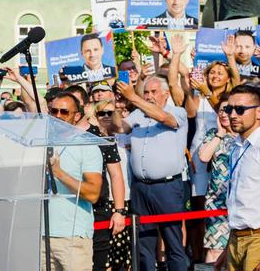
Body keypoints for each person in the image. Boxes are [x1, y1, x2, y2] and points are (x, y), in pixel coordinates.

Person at [168, 34, 240, 264]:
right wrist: (174, 55)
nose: (215, 75)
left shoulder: (231, 100)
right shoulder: (198, 98)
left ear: (227, 78)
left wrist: (230, 56)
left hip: (226, 158)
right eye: (212, 72)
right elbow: (177, 83)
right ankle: (199, 259)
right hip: (201, 159)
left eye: (220, 72)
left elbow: (228, 109)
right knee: (200, 213)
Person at [115, 77, 190, 271]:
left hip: (167, 187)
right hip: (140, 187)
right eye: (146, 92)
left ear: (166, 93)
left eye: (153, 92)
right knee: (144, 244)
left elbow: (165, 119)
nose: (148, 96)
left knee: (173, 242)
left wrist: (133, 97)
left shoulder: (177, 112)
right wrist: (116, 105)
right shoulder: (138, 114)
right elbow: (118, 127)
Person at [45, 92, 103, 270]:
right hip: (41, 235)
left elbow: (93, 194)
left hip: (72, 236)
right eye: (53, 111)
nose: (57, 116)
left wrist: (59, 173)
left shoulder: (87, 145)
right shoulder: (40, 142)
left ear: (76, 116)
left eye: (64, 112)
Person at [214, 84, 260, 271]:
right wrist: (227, 249)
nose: (232, 115)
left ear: (258, 113)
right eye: (228, 109)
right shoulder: (237, 146)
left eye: (240, 110)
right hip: (235, 238)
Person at [78, 100, 127, 271]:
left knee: (98, 262)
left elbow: (116, 175)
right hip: (73, 206)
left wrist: (119, 211)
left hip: (99, 207)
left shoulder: (104, 138)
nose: (107, 117)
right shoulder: (68, 134)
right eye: (102, 113)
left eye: (110, 113)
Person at [198, 95, 235, 264]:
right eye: (221, 110)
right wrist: (220, 134)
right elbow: (204, 157)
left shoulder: (247, 135)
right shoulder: (213, 134)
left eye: (228, 110)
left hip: (244, 200)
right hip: (217, 201)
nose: (224, 114)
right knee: (215, 248)